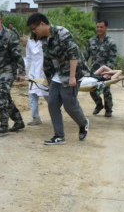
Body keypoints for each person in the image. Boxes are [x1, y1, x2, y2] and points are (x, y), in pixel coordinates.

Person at [27, 13, 90, 145]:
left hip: (73, 71)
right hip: (58, 72)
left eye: (34, 28)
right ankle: (59, 136)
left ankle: (83, 123)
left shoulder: (62, 33)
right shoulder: (44, 38)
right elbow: (48, 60)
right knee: (52, 103)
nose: (34, 32)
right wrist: (49, 81)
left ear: (42, 24)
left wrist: (73, 77)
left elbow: (74, 54)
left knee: (69, 104)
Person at [84, 20, 118, 117]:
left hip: (105, 71)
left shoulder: (111, 43)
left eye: (101, 27)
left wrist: (108, 72)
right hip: (93, 70)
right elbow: (85, 56)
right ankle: (99, 104)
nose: (99, 29)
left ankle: (108, 109)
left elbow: (112, 60)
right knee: (91, 89)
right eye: (97, 27)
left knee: (106, 90)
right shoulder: (91, 41)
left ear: (106, 28)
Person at [24, 31, 49, 126]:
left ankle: (56, 114)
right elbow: (28, 57)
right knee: (33, 95)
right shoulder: (30, 41)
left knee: (48, 95)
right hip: (33, 72)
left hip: (43, 72)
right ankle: (35, 117)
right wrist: (23, 71)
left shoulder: (46, 40)